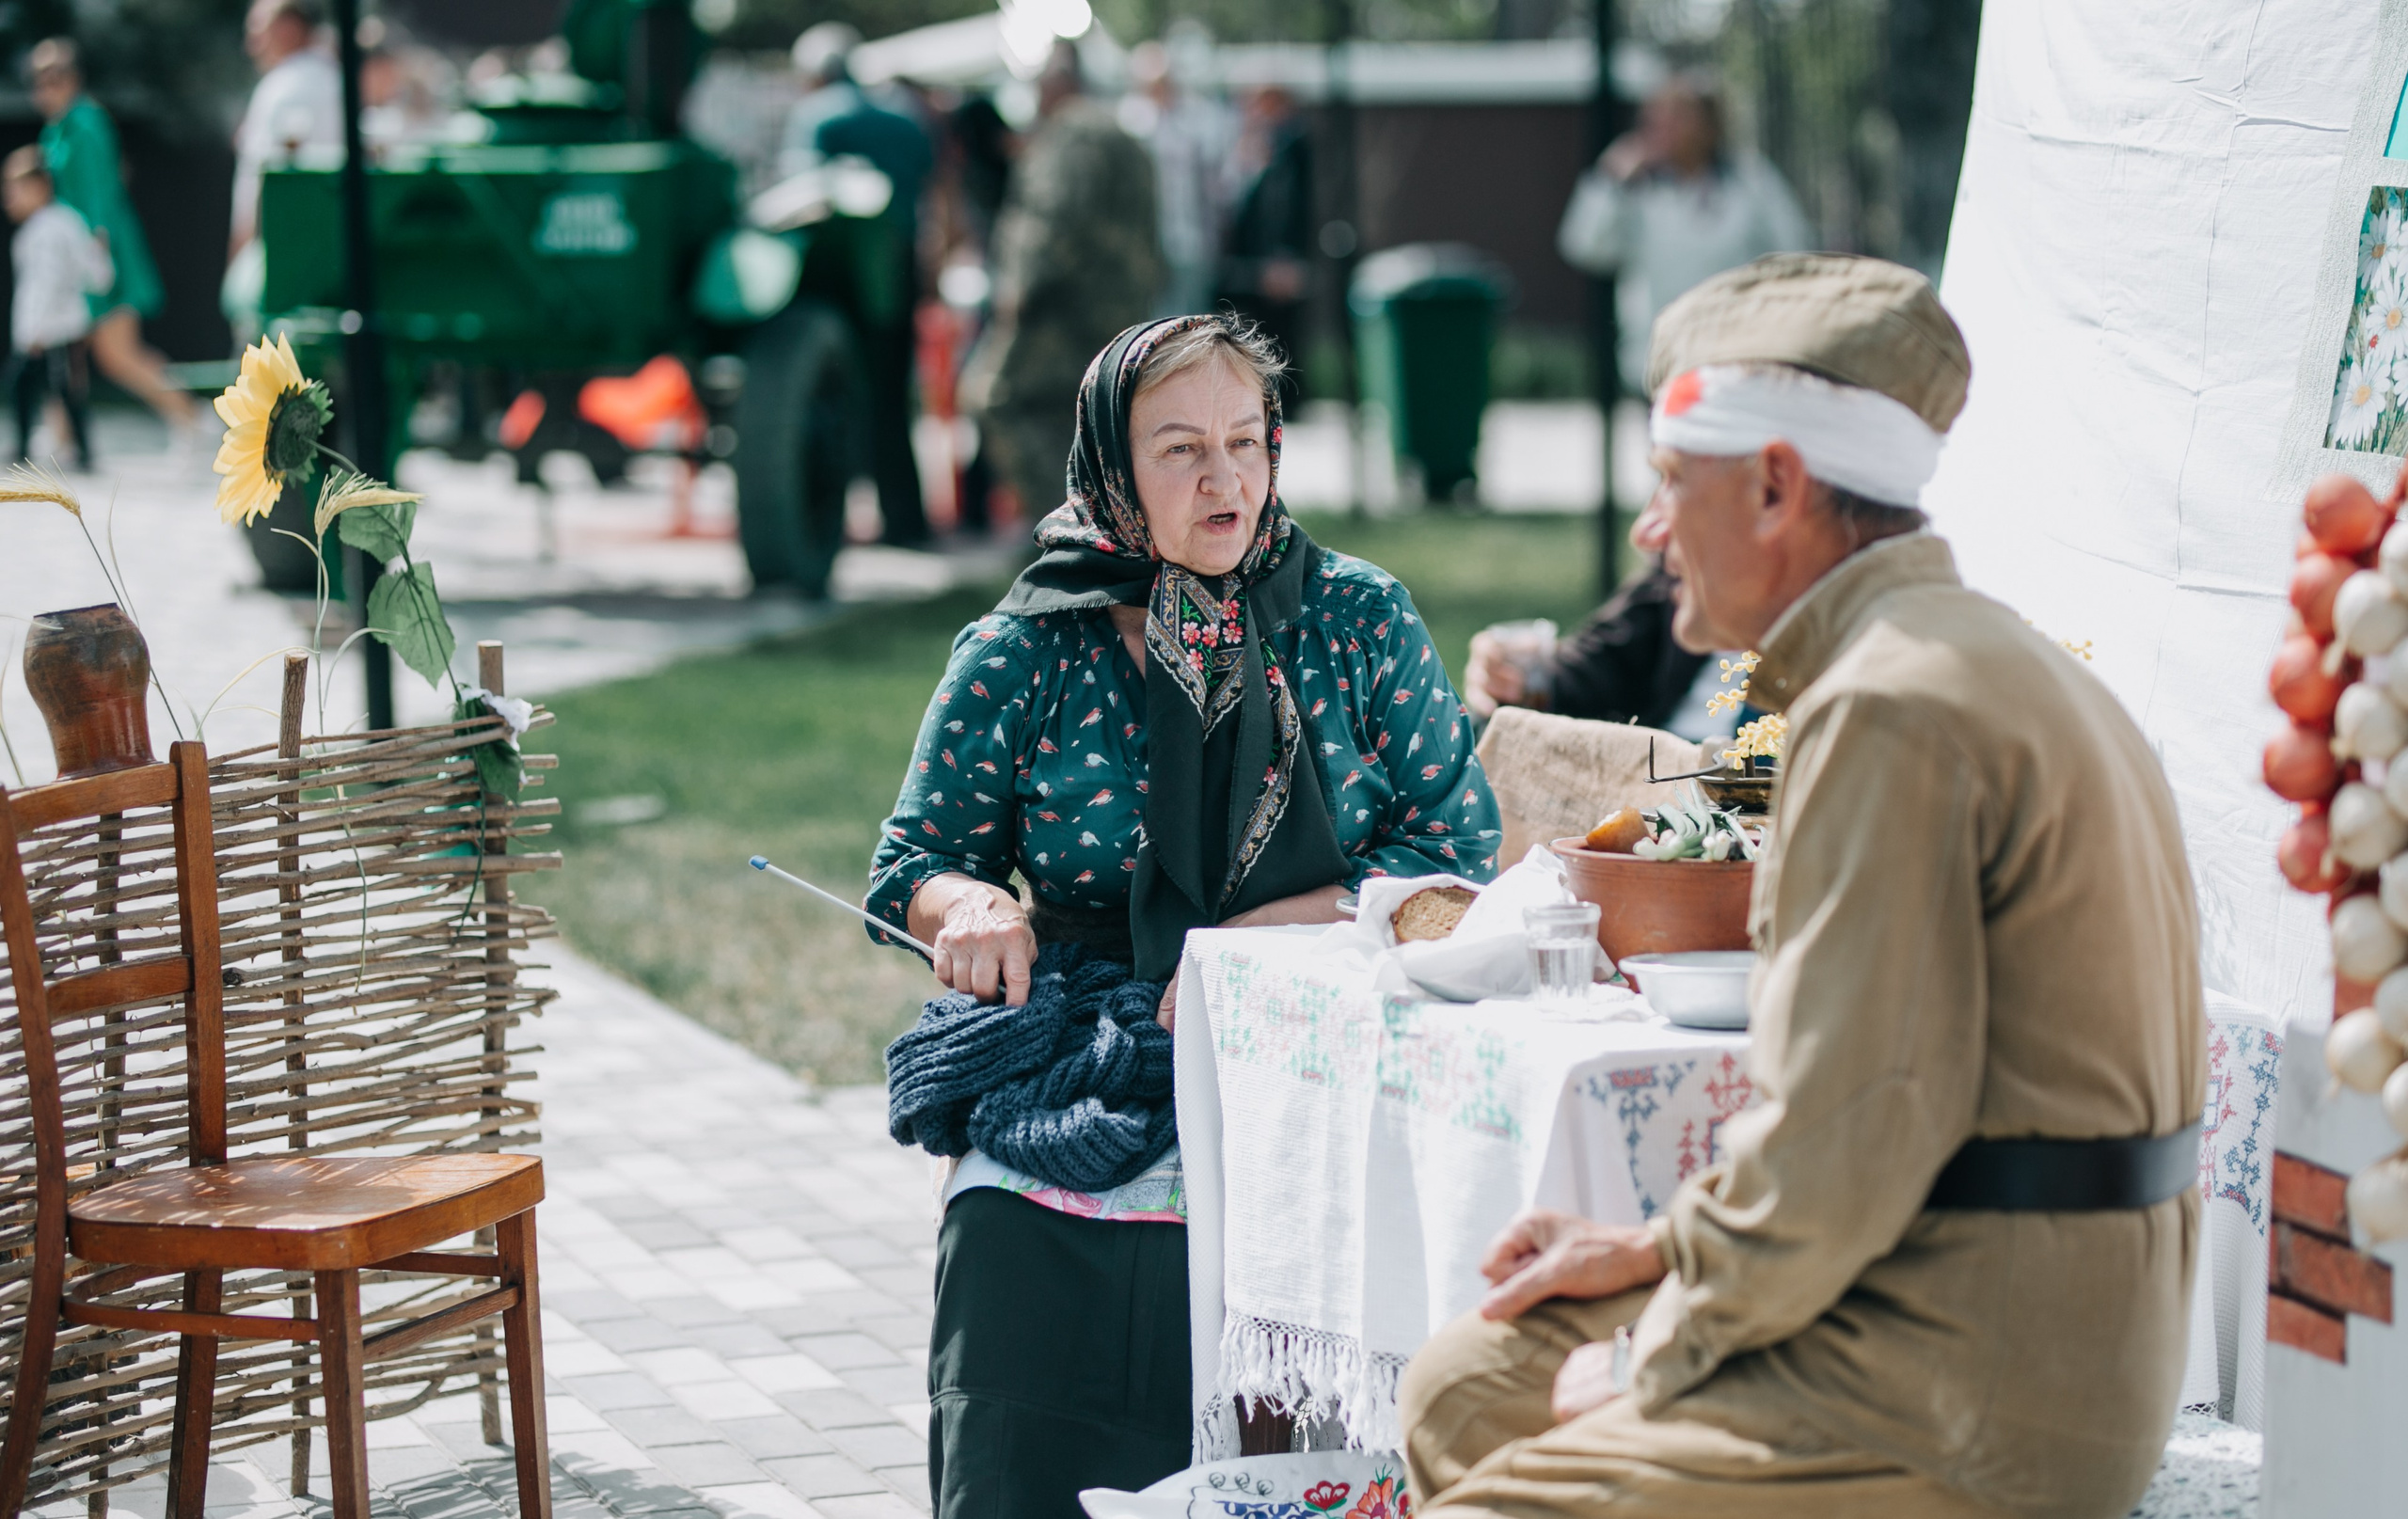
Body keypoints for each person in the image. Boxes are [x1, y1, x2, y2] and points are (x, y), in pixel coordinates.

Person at [1400, 254, 2204, 1519]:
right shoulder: (1970, 658)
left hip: (1968, 1375)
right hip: (2018, 1312)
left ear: (1775, 485)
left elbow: (1849, 1133)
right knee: (1465, 1387)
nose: (1648, 533)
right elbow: (1890, 1118)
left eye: (1672, 484)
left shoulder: (1888, 709)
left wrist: (1648, 1355)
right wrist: (1657, 1249)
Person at [871, 313, 1500, 1514]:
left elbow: (1459, 843)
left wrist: (1285, 926)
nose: (1228, 480)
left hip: (1316, 1014)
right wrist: (970, 909)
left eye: (1246, 440)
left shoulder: (1358, 617)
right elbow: (918, 857)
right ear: (1110, 465)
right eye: (1179, 451)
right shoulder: (1026, 647)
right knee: (1010, 1232)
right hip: (1096, 1022)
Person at [959, 41, 1161, 526]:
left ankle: (1069, 527)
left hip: (1062, 311)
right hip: (1120, 311)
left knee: (995, 397)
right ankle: (1110, 528)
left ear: (1056, 83)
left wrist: (1016, 290)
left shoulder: (1069, 137)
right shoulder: (1122, 136)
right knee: (1100, 420)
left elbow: (1051, 222)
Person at [1557, 73, 1812, 395]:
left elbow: (1795, 252)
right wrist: (1609, 181)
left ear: (1711, 126)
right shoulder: (1634, 190)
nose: (1662, 125)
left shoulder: (1753, 182)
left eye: (1678, 115)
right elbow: (1584, 247)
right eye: (1655, 116)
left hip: (1741, 360)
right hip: (1663, 363)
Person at [784, 22, 936, 545]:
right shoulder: (905, 121)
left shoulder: (816, 118)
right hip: (898, 272)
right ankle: (906, 523)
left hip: (836, 282)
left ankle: (827, 522)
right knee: (893, 400)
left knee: (829, 399)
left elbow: (799, 198)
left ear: (813, 74)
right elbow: (937, 199)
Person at [25, 40, 198, 448]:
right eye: (39, 80)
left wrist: (98, 249)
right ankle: (61, 434)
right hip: (72, 255)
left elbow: (102, 189)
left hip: (100, 254)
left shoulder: (86, 122)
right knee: (65, 348)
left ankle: (190, 417)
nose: (47, 87)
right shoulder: (58, 128)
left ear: (74, 78)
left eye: (56, 77)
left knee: (117, 352)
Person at [5, 148, 111, 471]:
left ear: (39, 187)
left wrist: (33, 329)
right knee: (51, 390)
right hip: (47, 329)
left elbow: (49, 283)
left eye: (14, 190)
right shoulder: (62, 223)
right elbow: (97, 274)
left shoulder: (51, 229)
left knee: (61, 390)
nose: (9, 199)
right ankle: (53, 447)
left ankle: (78, 451)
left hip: (52, 331)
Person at [1119, 39, 1233, 319]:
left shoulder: (1197, 118)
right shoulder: (1132, 119)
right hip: (1148, 240)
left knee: (1191, 315)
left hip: (1192, 238)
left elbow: (1214, 179)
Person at [230, 0, 341, 260]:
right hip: (336, 247)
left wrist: (241, 255)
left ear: (287, 29)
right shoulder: (337, 81)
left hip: (285, 251)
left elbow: (256, 184)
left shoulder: (280, 90)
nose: (251, 45)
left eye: (258, 32)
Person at [1215, 85, 1311, 382]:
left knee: (1279, 343)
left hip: (1276, 263)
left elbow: (1290, 206)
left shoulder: (1292, 147)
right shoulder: (1241, 145)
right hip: (1245, 264)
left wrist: (1285, 256)